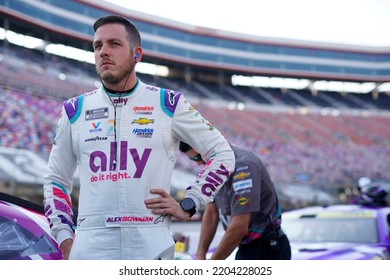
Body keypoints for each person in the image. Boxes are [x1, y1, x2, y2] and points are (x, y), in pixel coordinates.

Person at [42, 15, 235, 260]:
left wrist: (190, 203)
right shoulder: (75, 110)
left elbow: (223, 154)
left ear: (137, 54)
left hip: (152, 249)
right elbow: (56, 180)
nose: (103, 52)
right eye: (97, 45)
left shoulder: (168, 104)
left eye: (114, 44)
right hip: (90, 251)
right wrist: (64, 239)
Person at [179, 142, 291, 260]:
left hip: (266, 248)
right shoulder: (213, 166)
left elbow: (239, 226)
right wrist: (200, 255)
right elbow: (212, 212)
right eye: (192, 159)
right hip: (247, 246)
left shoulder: (243, 166)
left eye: (198, 157)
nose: (197, 163)